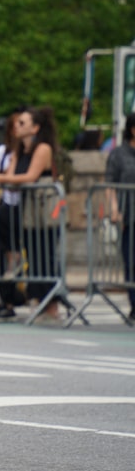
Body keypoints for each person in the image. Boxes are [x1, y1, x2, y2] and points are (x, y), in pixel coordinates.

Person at [0, 106, 62, 325]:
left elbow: (30, 177)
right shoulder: (17, 150)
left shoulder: (43, 148)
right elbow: (12, 177)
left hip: (41, 211)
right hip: (26, 211)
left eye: (23, 123)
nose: (17, 126)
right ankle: (13, 259)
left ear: (35, 128)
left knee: (44, 257)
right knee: (1, 221)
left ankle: (52, 306)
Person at [105, 113, 135, 321]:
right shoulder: (119, 154)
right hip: (130, 216)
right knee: (131, 262)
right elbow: (110, 184)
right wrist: (114, 210)